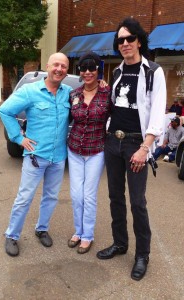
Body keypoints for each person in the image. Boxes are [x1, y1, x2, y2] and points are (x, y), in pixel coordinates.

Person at [96, 17, 166, 281]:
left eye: (129, 38)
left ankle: (142, 255)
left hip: (137, 144)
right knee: (115, 196)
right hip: (113, 141)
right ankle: (120, 243)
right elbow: (114, 105)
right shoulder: (116, 73)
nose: (124, 43)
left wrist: (145, 148)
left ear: (139, 40)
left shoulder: (153, 71)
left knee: (137, 202)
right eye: (120, 40)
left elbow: (157, 112)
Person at [0, 52, 72, 257]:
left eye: (64, 66)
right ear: (47, 66)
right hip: (35, 157)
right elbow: (5, 111)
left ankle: (42, 229)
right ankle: (12, 235)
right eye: (56, 65)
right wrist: (18, 138)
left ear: (67, 70)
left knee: (51, 196)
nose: (59, 69)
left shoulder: (68, 92)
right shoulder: (30, 91)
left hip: (58, 157)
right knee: (25, 197)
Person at [67, 51, 110, 254]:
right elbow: (67, 120)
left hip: (96, 150)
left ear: (98, 70)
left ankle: (88, 236)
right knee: (76, 195)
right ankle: (78, 231)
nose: (87, 72)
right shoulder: (73, 94)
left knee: (89, 195)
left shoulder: (107, 93)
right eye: (83, 68)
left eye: (91, 67)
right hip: (74, 149)